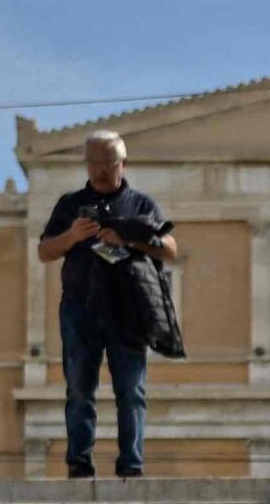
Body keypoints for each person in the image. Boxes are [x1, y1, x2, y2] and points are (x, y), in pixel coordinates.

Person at [38, 131, 175, 480]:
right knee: (80, 390)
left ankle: (131, 465)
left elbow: (170, 248)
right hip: (79, 308)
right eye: (93, 162)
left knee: (131, 391)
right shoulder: (70, 204)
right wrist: (73, 236)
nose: (100, 170)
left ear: (123, 163)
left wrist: (129, 238)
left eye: (107, 163)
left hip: (127, 308)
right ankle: (79, 466)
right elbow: (45, 251)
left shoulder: (141, 205)